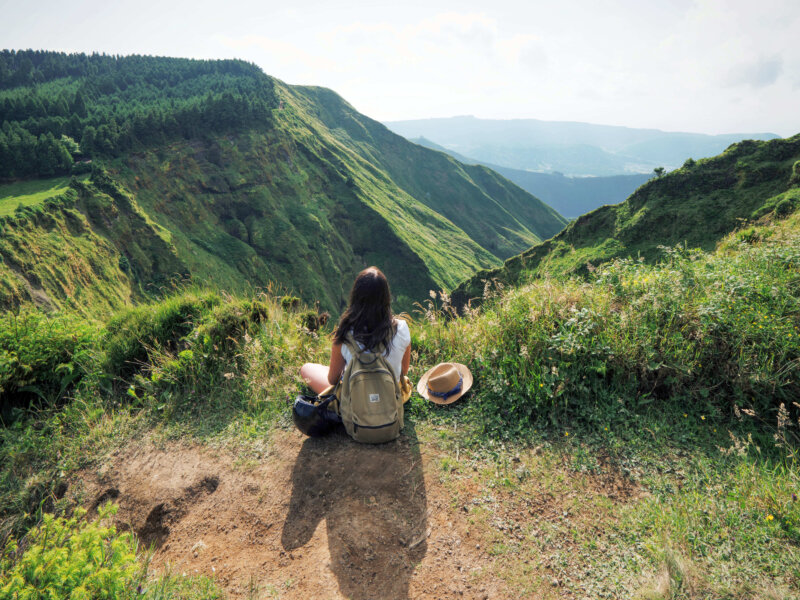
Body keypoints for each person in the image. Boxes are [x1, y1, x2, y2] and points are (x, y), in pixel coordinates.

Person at [300, 266, 411, 395]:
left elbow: (332, 380)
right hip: (390, 401)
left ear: (356, 296)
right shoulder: (401, 328)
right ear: (386, 297)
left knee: (307, 368)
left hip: (355, 403)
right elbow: (403, 370)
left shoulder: (345, 332)